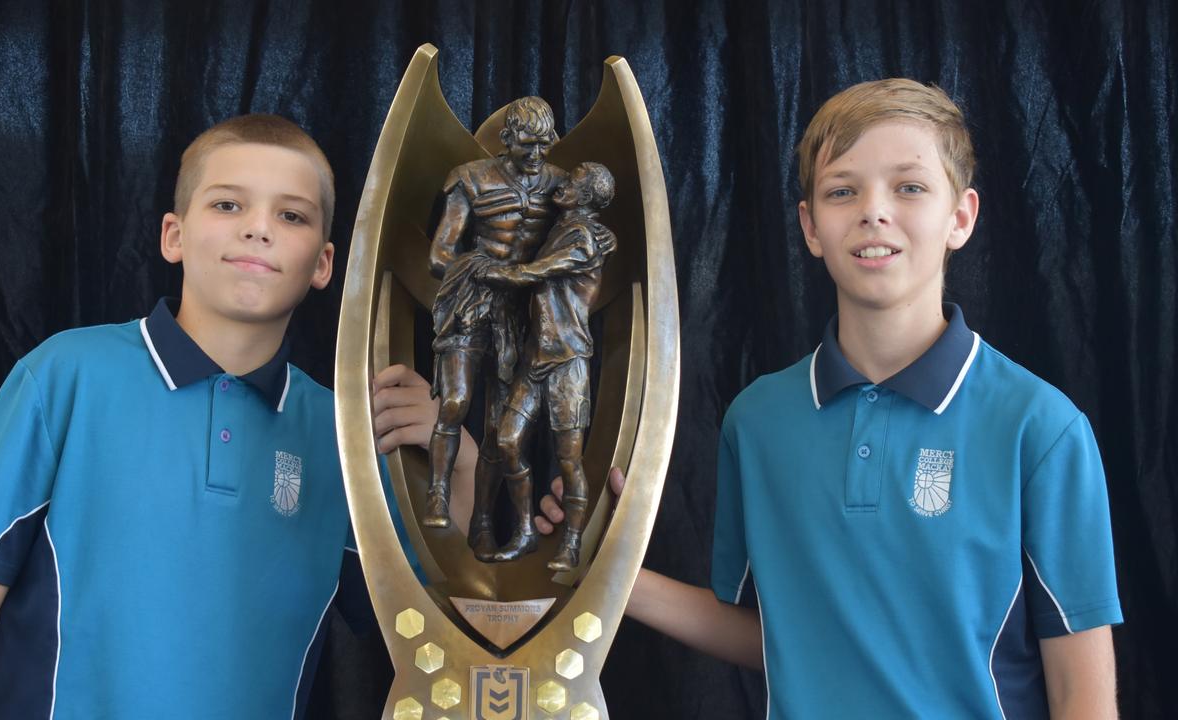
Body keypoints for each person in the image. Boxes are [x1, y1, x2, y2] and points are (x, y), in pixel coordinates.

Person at [543, 79, 1122, 717]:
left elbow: (1081, 694)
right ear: (811, 226)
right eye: (843, 190)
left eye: (909, 187)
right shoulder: (757, 422)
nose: (874, 211)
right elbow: (782, 637)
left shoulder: (1039, 429)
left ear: (961, 216)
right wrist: (614, 571)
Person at [0, 114, 462, 719]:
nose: (258, 229)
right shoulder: (67, 375)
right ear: (173, 236)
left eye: (291, 215)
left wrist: (453, 460)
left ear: (323, 264)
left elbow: (431, 621)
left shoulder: (342, 436)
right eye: (228, 205)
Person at [425, 96, 568, 564]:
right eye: (525, 145)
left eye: (543, 145)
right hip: (472, 301)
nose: (535, 155)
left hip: (521, 316)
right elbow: (439, 254)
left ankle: (484, 521)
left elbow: (578, 237)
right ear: (506, 141)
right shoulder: (472, 178)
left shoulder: (561, 186)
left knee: (498, 429)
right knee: (456, 401)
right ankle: (439, 493)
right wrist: (484, 270)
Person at [481, 162, 617, 570]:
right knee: (507, 441)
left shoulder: (588, 237)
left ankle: (572, 543)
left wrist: (503, 272)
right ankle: (524, 533)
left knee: (569, 459)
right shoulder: (563, 227)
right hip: (535, 359)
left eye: (573, 181)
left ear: (588, 196)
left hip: (568, 363)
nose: (565, 183)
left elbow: (545, 269)